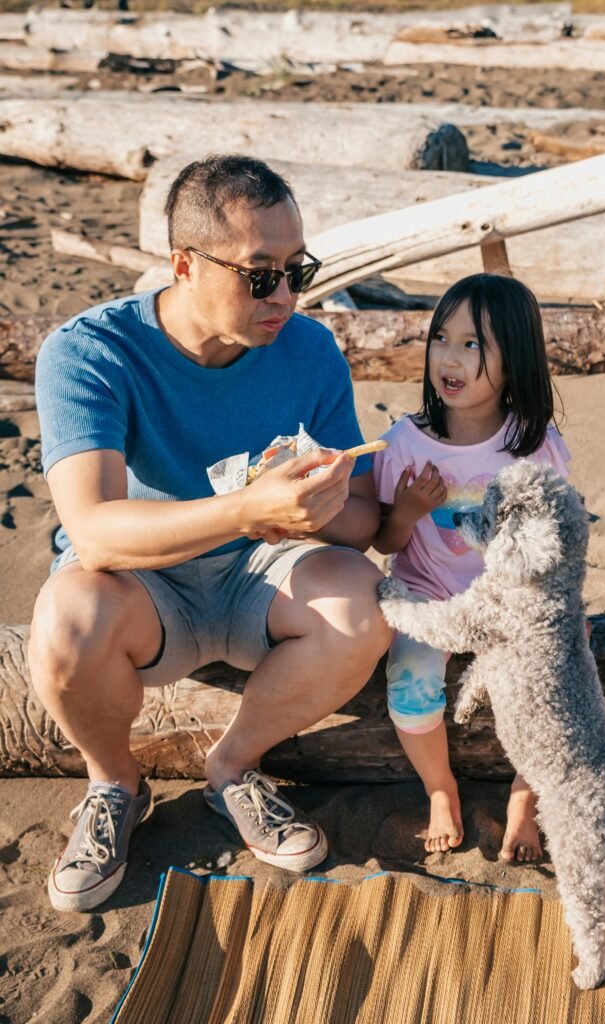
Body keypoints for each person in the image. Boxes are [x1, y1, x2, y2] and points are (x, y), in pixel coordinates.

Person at [30, 154, 392, 912]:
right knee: (64, 619)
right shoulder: (90, 352)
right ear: (184, 265)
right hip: (144, 584)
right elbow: (92, 534)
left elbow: (359, 524)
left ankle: (233, 768)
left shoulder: (309, 349)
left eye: (299, 268)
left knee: (364, 605)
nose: (287, 295)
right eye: (262, 274)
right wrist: (246, 510)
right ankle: (114, 783)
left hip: (260, 572)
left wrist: (337, 508)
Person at [371, 273, 570, 861]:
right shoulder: (405, 443)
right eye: (441, 338)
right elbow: (385, 537)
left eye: (473, 344)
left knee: (552, 680)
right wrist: (406, 511)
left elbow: (554, 542)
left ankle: (524, 796)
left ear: (517, 360)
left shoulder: (534, 447)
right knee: (409, 685)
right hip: (428, 594)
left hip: (508, 601)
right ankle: (440, 788)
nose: (449, 358)